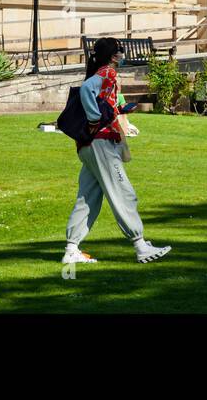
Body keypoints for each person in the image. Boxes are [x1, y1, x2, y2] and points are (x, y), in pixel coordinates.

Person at [62, 37, 170, 264]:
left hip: (88, 146)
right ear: (113, 55)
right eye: (120, 50)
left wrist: (118, 109)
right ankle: (140, 245)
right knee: (123, 192)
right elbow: (86, 91)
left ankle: (72, 248)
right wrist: (94, 118)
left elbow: (98, 96)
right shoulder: (108, 72)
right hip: (101, 143)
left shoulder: (102, 74)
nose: (123, 54)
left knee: (88, 197)